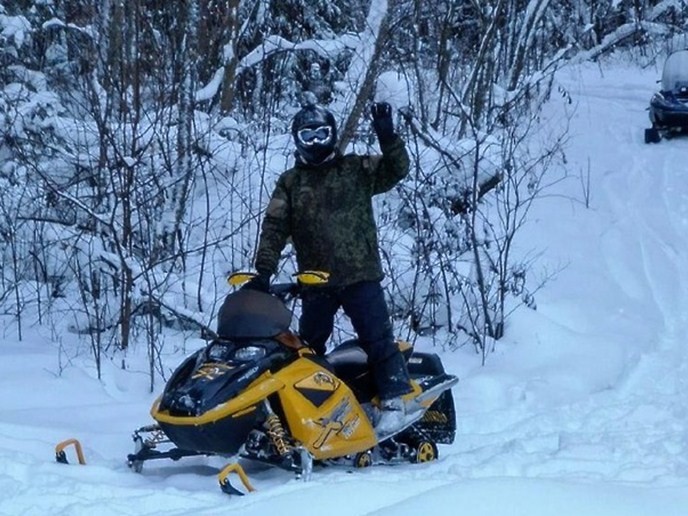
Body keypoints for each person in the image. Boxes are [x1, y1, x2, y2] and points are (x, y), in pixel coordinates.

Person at [243, 101, 414, 438]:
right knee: (306, 349)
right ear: (297, 140)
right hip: (315, 281)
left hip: (360, 274)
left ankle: (395, 402)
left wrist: (387, 135)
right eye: (309, 135)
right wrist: (263, 272)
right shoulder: (290, 183)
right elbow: (274, 228)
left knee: (378, 339)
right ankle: (312, 411)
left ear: (334, 135)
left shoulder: (356, 169)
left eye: (323, 133)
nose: (317, 141)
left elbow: (397, 168)